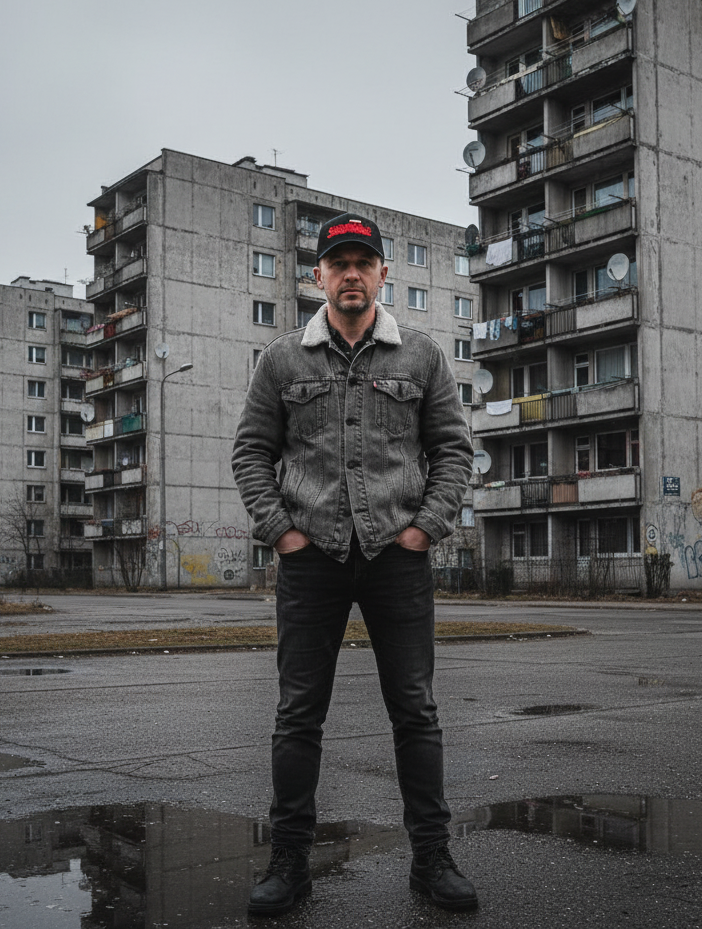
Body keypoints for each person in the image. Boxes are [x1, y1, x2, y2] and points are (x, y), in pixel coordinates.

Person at [231, 212, 476, 915]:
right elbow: (251, 451)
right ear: (319, 277)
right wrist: (280, 532)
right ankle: (289, 863)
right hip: (312, 558)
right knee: (298, 715)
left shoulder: (421, 356)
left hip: (398, 556)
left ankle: (432, 860)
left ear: (381, 275)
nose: (350, 274)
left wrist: (426, 529)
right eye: (337, 263)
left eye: (362, 262)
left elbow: (453, 450)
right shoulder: (282, 360)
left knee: (416, 713)